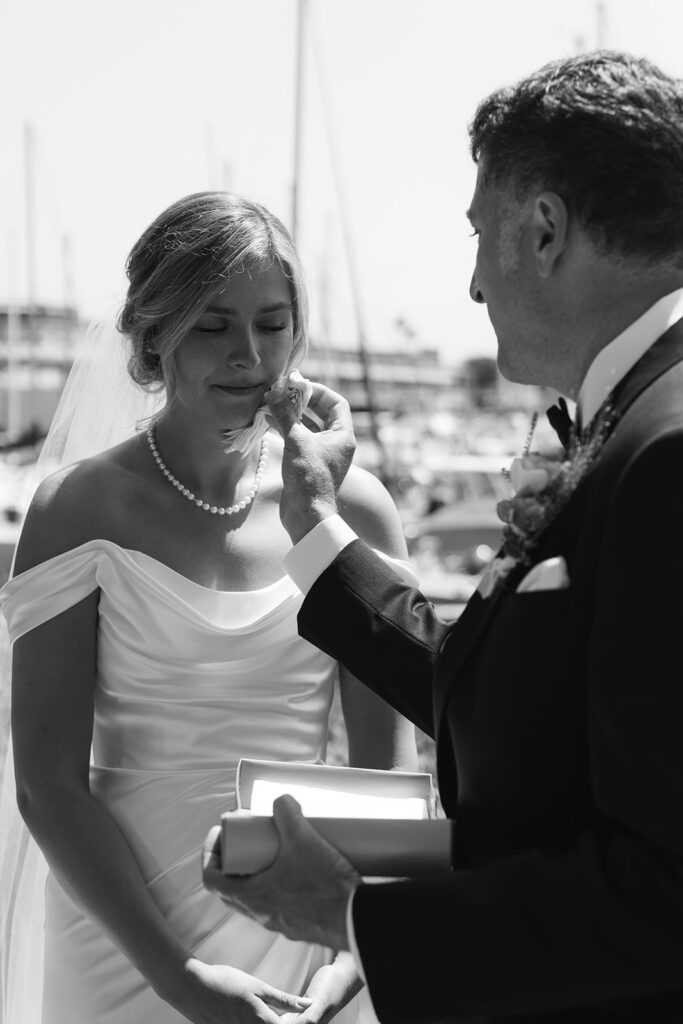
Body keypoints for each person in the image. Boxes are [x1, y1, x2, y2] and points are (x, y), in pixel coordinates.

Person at [202, 50, 683, 1023]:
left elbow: (661, 895)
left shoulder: (666, 451)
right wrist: (316, 529)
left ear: (542, 230)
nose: (469, 285)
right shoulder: (633, 421)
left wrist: (352, 918)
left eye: (478, 235)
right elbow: (516, 697)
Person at [0, 190, 418, 1024]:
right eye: (212, 325)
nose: (249, 354)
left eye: (271, 323)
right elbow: (47, 783)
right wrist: (180, 976)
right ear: (155, 338)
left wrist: (356, 954)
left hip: (307, 935)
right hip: (123, 940)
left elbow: (387, 774)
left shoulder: (354, 508)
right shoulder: (76, 510)